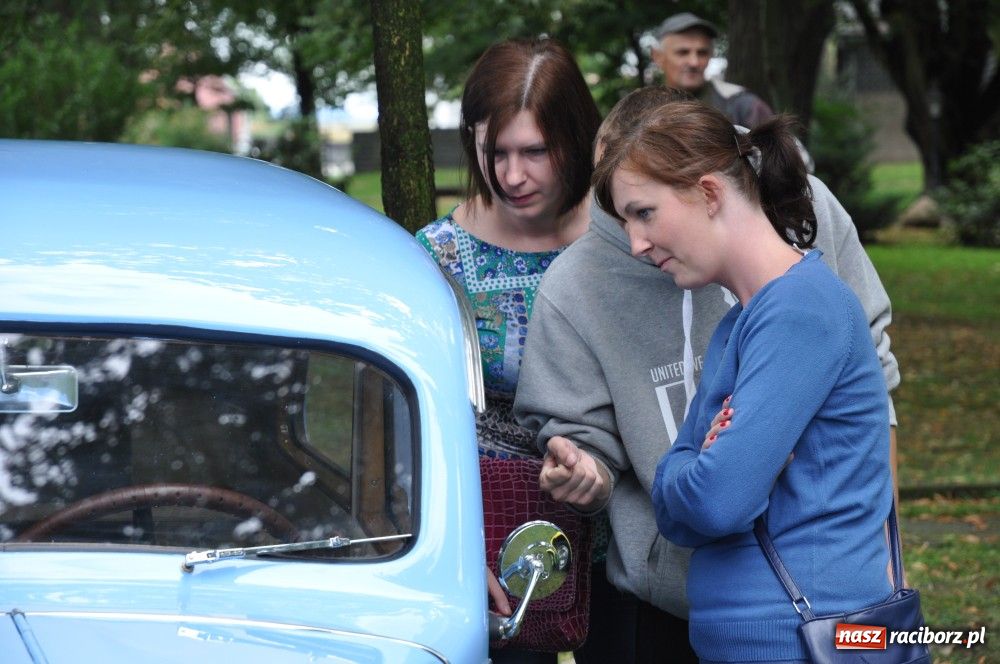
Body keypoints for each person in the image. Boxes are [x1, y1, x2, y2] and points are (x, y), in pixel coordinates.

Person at [514, 87, 899, 663]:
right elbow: (692, 498)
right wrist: (698, 467)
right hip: (727, 628)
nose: (637, 242)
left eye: (645, 214)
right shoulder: (739, 325)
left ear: (709, 192)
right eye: (625, 219)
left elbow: (713, 503)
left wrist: (692, 468)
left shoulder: (800, 310)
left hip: (809, 633)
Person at [414, 37, 600, 663]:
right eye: (496, 151)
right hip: (496, 546)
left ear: (576, 140)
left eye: (535, 152)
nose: (512, 176)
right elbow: (413, 428)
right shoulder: (437, 259)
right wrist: (459, 556)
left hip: (631, 545)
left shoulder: (630, 238)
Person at [651, 12, 774, 130]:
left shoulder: (743, 106)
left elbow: (781, 150)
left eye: (702, 53)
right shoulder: (643, 109)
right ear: (658, 57)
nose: (694, 62)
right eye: (683, 53)